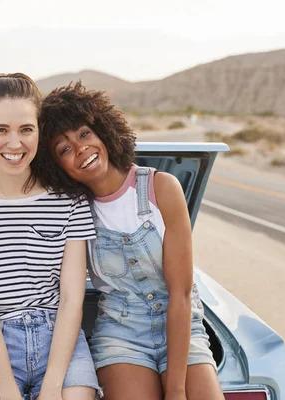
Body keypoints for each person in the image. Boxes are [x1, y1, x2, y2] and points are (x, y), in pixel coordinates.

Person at [39, 82, 225, 400]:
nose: (80, 148)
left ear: (103, 131)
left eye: (84, 133)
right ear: (57, 167)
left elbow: (180, 293)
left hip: (181, 324)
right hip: (120, 332)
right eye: (64, 148)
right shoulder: (72, 211)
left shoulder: (161, 188)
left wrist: (177, 390)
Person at [0, 73, 100, 400]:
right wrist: (9, 393)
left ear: (40, 132)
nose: (15, 144)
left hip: (60, 339)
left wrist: (53, 387)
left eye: (26, 129)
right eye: (1, 130)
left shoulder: (69, 200)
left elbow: (71, 299)